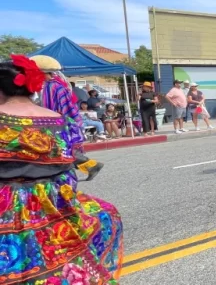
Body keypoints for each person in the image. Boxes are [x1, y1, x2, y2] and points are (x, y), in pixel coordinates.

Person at [0, 55, 123, 283]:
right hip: (50, 202)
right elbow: (68, 174)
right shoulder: (59, 120)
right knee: (105, 215)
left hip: (5, 207)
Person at [30, 55, 103, 180]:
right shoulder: (52, 86)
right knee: (58, 148)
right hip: (56, 120)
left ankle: (90, 166)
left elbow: (57, 107)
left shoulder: (53, 87)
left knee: (59, 147)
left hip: (57, 121)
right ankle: (90, 166)